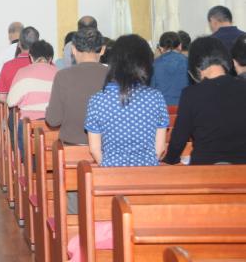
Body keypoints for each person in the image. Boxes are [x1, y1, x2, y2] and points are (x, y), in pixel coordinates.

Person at [84, 34, 169, 167]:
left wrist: (109, 168)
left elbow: (94, 150)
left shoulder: (97, 100)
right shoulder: (156, 97)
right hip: (148, 173)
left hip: (111, 174)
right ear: (145, 63)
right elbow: (160, 149)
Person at [164, 36, 246, 165]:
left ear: (196, 66)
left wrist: (170, 160)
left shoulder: (191, 94)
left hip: (204, 168)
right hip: (242, 170)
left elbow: (179, 139)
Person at [46, 28, 108, 145]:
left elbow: (53, 120)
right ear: (103, 50)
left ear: (73, 50)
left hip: (70, 148)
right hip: (107, 149)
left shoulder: (62, 76)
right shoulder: (114, 76)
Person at [7, 40, 57, 159]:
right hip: (54, 126)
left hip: (29, 127)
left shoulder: (23, 73)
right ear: (50, 58)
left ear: (31, 57)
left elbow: (10, 101)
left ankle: (26, 164)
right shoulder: (59, 73)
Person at [0, 26, 39, 149]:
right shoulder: (47, 65)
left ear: (19, 44)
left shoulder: (8, 66)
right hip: (43, 116)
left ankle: (20, 158)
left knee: (19, 147)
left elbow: (2, 98)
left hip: (18, 116)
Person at [150, 31, 188, 107]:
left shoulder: (154, 65)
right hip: (184, 107)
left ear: (161, 48)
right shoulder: (188, 62)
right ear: (180, 46)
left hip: (162, 107)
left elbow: (151, 89)